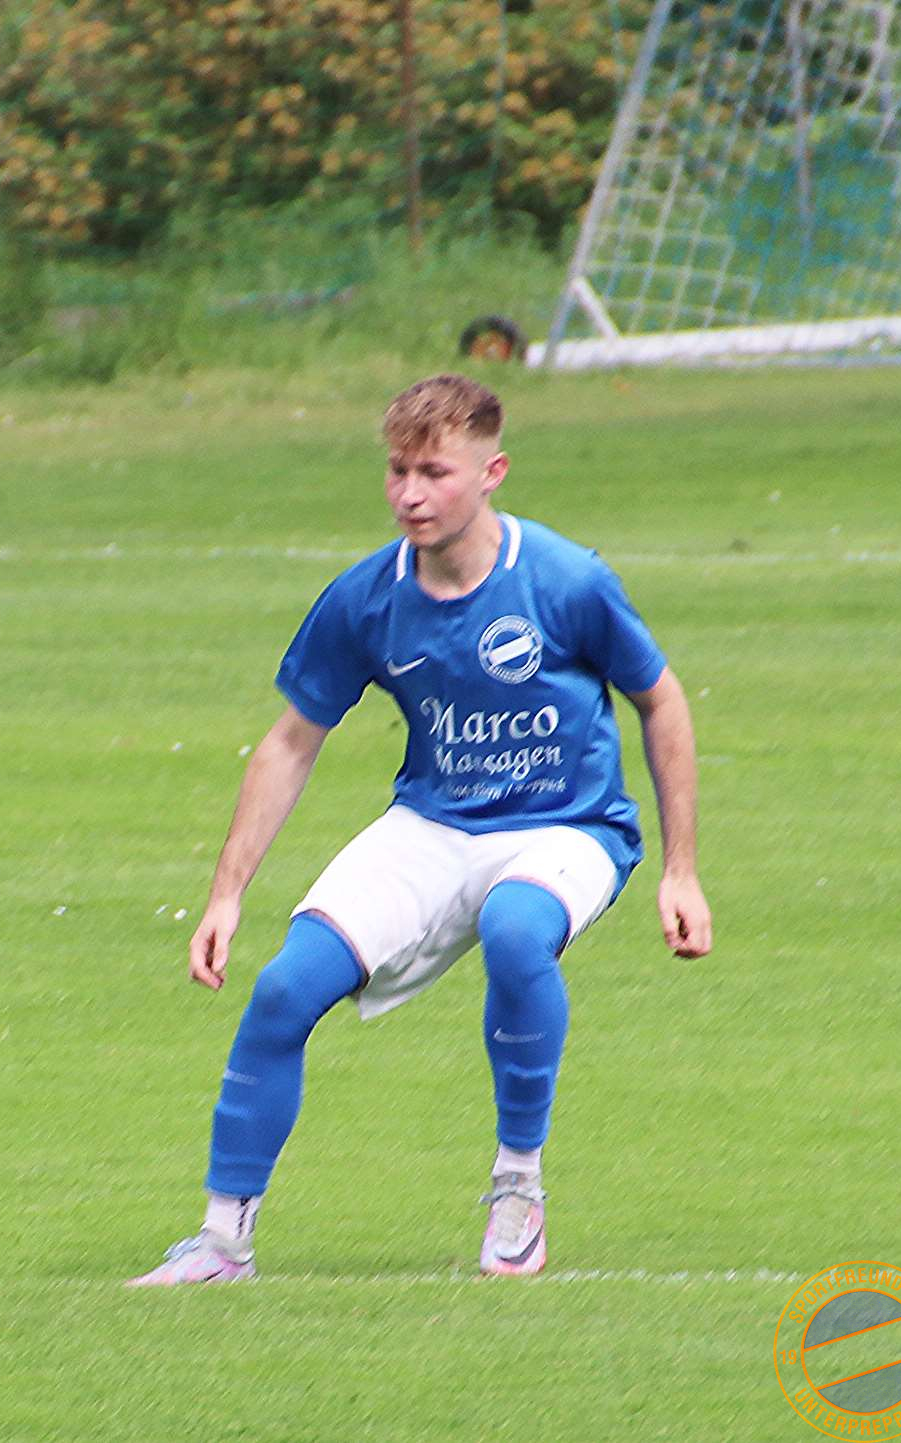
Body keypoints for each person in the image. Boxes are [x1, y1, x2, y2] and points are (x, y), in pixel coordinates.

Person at [129, 374, 710, 1285]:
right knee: (283, 989)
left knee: (516, 930)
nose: (409, 493)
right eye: (397, 470)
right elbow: (289, 742)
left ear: (491, 472)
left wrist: (680, 870)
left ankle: (517, 1189)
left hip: (567, 826)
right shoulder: (366, 597)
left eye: (434, 472)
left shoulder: (564, 579)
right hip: (433, 825)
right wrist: (226, 894)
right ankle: (221, 1241)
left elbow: (661, 700)